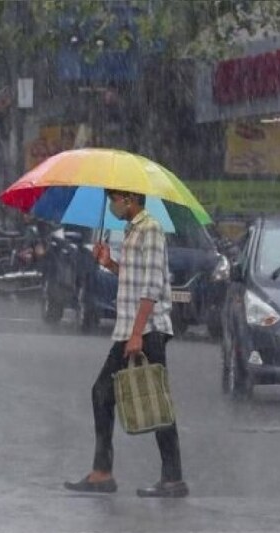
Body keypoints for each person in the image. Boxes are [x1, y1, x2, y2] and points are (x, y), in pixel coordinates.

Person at [64, 190, 188, 498]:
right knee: (106, 394)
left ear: (129, 199)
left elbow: (152, 286)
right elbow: (134, 278)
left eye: (113, 199)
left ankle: (170, 479)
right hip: (130, 329)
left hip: (146, 329)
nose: (111, 205)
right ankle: (104, 471)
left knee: (153, 400)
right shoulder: (132, 229)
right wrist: (110, 264)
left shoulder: (151, 229)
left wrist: (136, 334)